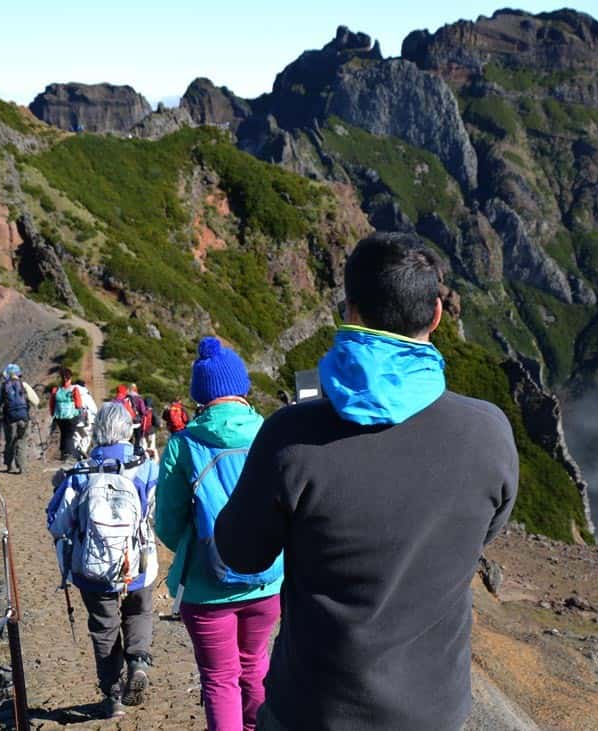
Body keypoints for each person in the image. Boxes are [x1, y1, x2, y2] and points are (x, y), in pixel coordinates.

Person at [216, 233, 519, 731]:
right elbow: (485, 530)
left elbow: (240, 555)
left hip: (312, 711)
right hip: (433, 712)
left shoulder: (291, 437)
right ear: (438, 315)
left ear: (350, 311)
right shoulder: (489, 431)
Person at [155, 337, 283, 731]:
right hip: (268, 580)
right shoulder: (272, 432)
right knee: (256, 666)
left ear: (200, 394)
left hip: (206, 587)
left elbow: (168, 524)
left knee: (219, 679)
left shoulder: (183, 445)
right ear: (241, 386)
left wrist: (201, 547)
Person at [46, 402, 159, 719]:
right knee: (138, 610)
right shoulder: (146, 467)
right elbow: (155, 511)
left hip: (92, 568)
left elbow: (57, 523)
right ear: (129, 430)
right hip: (138, 562)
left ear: (97, 431)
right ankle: (138, 661)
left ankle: (112, 697)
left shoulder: (79, 474)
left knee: (104, 627)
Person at [0, 364, 39, 474]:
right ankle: (22, 467)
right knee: (21, 441)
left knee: (10, 442)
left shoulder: (4, 386)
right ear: (18, 374)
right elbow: (36, 401)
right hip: (24, 418)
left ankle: (10, 466)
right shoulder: (24, 385)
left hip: (10, 419)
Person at [49, 367, 83, 461]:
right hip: (71, 416)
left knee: (64, 434)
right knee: (69, 435)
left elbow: (52, 404)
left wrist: (53, 414)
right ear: (70, 377)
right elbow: (79, 404)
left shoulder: (56, 390)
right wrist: (80, 414)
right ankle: (69, 454)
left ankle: (63, 454)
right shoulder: (74, 389)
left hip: (59, 416)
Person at [72, 380, 99, 459]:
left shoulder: (71, 392)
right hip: (86, 419)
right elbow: (93, 409)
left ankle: (77, 454)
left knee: (76, 436)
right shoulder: (85, 393)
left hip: (73, 419)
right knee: (87, 436)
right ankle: (82, 450)